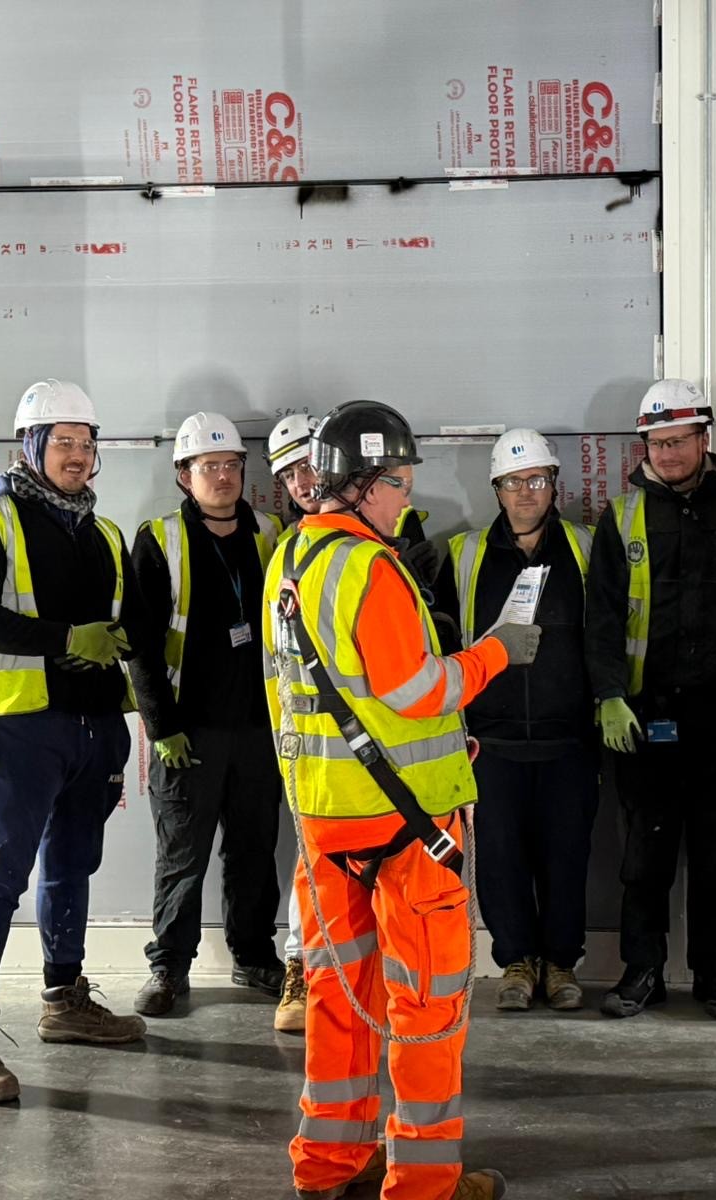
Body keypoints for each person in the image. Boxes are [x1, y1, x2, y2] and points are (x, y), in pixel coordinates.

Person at [263, 400, 538, 1200]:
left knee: (339, 998)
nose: (405, 501)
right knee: (427, 1006)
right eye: (400, 484)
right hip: (410, 830)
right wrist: (494, 654)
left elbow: (305, 696)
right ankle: (422, 1182)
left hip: (324, 825)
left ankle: (327, 1164)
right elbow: (416, 688)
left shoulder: (288, 562)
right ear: (365, 485)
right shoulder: (371, 567)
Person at [0, 378, 150, 1103]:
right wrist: (65, 638)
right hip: (23, 726)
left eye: (86, 444)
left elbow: (118, 637)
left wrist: (125, 722)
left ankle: (64, 1000)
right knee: (1, 873)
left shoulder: (107, 534)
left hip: (93, 728)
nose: (77, 455)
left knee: (71, 866)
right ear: (31, 447)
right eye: (62, 442)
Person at [585, 379, 716, 1021]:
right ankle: (643, 971)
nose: (665, 454)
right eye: (655, 443)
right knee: (645, 851)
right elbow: (602, 617)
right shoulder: (622, 518)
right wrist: (609, 695)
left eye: (678, 441)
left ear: (704, 439)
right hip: (646, 713)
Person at [129, 412, 287, 1016]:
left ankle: (254, 956)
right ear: (183, 475)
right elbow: (139, 643)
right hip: (187, 732)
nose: (222, 477)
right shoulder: (161, 538)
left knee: (254, 848)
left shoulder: (270, 533)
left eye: (231, 466)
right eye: (208, 467)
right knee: (182, 854)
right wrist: (161, 726)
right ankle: (169, 967)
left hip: (257, 728)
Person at [437, 429, 598, 1012]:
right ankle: (516, 963)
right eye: (513, 482)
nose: (526, 492)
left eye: (536, 480)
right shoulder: (464, 553)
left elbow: (603, 636)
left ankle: (559, 964)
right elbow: (445, 641)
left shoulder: (585, 546)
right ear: (496, 490)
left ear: (555, 484)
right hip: (491, 740)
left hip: (569, 737)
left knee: (566, 855)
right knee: (500, 858)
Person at [267, 411, 321, 1033]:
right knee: (313, 859)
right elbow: (273, 661)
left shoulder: (391, 533)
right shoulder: (284, 551)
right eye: (289, 474)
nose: (303, 481)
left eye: (309, 464)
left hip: (386, 741)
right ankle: (300, 968)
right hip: (311, 742)